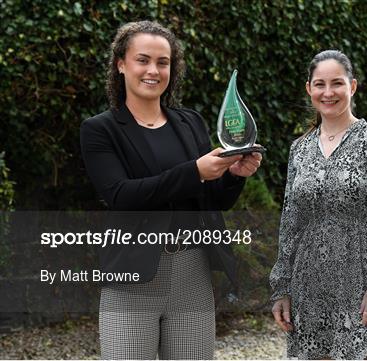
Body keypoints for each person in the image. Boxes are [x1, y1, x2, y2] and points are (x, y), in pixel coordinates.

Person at [80, 20, 262, 359]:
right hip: (131, 278)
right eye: (143, 60)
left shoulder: (190, 122)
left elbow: (211, 200)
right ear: (121, 64)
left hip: (193, 274)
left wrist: (235, 175)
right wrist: (194, 171)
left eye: (163, 62)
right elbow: (122, 196)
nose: (153, 70)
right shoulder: (100, 130)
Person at [269, 50, 367, 360]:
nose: (328, 92)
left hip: (362, 287)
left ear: (353, 86)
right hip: (308, 291)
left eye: (337, 83)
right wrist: (281, 288)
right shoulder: (299, 149)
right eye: (320, 84)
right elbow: (291, 221)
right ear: (309, 89)